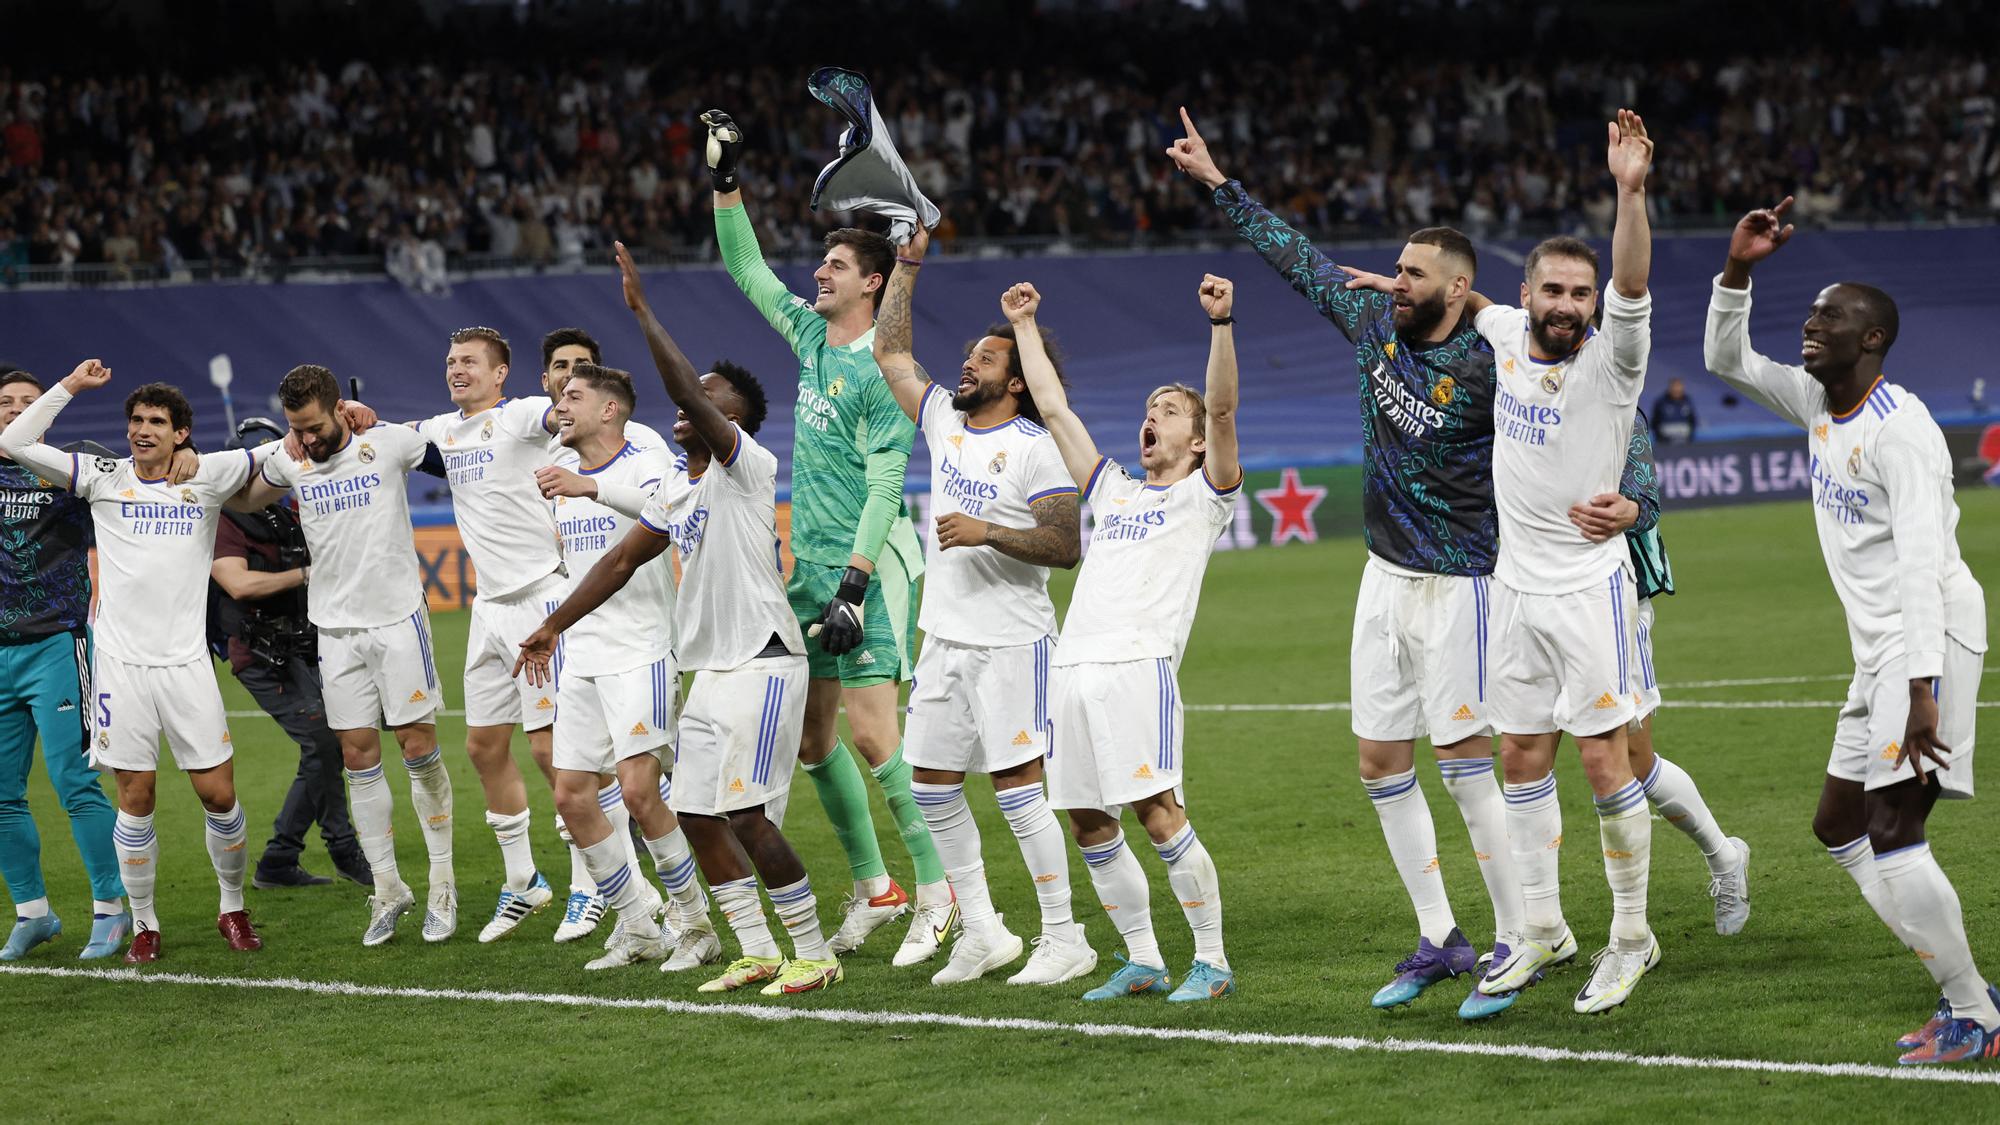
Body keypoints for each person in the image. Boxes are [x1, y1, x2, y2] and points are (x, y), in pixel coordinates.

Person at [1168, 107, 1525, 1016]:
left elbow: (1584, 364)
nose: (1392, 280)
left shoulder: (1492, 360)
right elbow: (1296, 258)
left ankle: (1518, 939)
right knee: (1378, 760)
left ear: (1457, 287)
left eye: (1412, 273)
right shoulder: (1372, 322)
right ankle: (1442, 935)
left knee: (1467, 760)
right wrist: (1218, 184)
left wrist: (1484, 307)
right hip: (1383, 573)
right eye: (1396, 269)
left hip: (1462, 578)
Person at [1705, 196, 1995, 1066]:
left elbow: (1918, 565)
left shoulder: (1902, 433)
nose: (1811, 323)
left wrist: (1921, 687)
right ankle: (1946, 970)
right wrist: (1739, 269)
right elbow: (1727, 355)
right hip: (1881, 652)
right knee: (1841, 825)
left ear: (1872, 339)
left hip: (1929, 637)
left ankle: (1973, 1009)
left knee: (1896, 828)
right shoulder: (1821, 402)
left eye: (1831, 316)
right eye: (1811, 310)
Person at [518, 241, 837, 996]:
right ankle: (755, 949)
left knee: (750, 816)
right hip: (709, 669)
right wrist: (553, 624)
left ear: (734, 418)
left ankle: (814, 949)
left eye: (709, 396)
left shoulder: (746, 466)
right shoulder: (678, 493)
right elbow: (620, 561)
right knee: (696, 814)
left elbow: (690, 397)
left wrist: (643, 312)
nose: (692, 402)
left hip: (761, 660)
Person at [704, 109, 950, 963]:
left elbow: (889, 480)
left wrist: (851, 581)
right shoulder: (812, 338)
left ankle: (939, 892)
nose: (819, 271)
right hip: (809, 568)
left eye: (837, 265)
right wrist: (726, 183)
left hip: (869, 565)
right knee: (814, 741)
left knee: (879, 734)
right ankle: (877, 885)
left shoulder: (890, 371)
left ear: (874, 283)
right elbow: (745, 266)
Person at [1469, 110, 1661, 1015]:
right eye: (1555, 290)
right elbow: (1465, 300)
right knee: (1519, 752)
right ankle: (1543, 925)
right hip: (1516, 589)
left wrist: (1629, 192)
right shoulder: (1505, 332)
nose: (1569, 306)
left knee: (1601, 761)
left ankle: (1632, 936)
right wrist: (1397, 283)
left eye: (1580, 294)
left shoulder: (1613, 363)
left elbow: (1632, 282)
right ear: (1529, 292)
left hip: (1590, 589)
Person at [1007, 275, 1243, 1003]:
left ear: (1196, 440)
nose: (1152, 418)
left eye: (1168, 411)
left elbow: (1225, 405)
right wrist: (1023, 326)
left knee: (1159, 812)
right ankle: (1143, 958)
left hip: (1138, 667)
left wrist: (1221, 325)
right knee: (1086, 818)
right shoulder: (1111, 488)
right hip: (1074, 667)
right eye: (1147, 410)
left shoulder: (1207, 492)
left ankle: (1213, 961)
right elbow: (1052, 408)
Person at [872, 225, 1097, 986]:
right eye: (969, 353)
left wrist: (987, 532)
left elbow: (1066, 544)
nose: (969, 362)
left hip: (1011, 641)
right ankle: (985, 930)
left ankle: (1065, 936)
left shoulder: (1036, 446)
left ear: (1018, 381)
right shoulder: (945, 422)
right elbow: (892, 353)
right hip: (944, 639)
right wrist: (908, 262)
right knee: (931, 784)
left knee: (1017, 790)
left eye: (987, 357)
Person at [0, 362, 262, 963]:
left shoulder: (210, 476)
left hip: (186, 664)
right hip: (119, 665)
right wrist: (70, 386)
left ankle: (232, 907)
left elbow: (273, 461)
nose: (143, 430)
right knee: (135, 796)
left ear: (181, 433)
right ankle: (143, 923)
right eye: (137, 421)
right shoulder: (101, 476)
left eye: (158, 423)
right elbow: (14, 442)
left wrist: (342, 424)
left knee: (219, 795)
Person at [239, 368, 458, 946]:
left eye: (313, 427)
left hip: (397, 620)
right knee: (357, 756)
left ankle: (442, 883)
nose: (306, 440)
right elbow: (241, 495)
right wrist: (268, 450)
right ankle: (388, 889)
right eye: (296, 429)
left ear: (340, 408)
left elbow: (451, 457)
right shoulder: (289, 457)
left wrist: (378, 416)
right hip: (334, 630)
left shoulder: (385, 441)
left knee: (417, 746)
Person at [526, 361, 714, 970]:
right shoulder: (562, 473)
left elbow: (671, 511)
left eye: (574, 395)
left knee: (638, 790)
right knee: (573, 796)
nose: (561, 403)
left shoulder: (643, 458)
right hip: (582, 656)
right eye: (560, 395)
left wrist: (593, 488)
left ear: (611, 409)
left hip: (643, 648)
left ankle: (695, 924)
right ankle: (638, 924)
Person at [209, 415, 371, 894]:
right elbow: (237, 583)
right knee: (324, 740)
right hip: (257, 651)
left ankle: (280, 859)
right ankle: (342, 847)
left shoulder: (290, 511)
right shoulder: (222, 517)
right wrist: (307, 575)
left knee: (328, 742)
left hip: (303, 645)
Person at [0, 366, 129, 961]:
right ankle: (33, 915)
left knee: (75, 781)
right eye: (6, 402)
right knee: (2, 795)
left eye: (28, 402)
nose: (16, 410)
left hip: (57, 644)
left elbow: (144, 481)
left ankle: (110, 910)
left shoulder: (75, 469)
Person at [1649, 377, 1697, 444]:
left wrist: (1690, 437)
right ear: (1670, 388)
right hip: (1664, 443)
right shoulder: (1660, 402)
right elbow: (1654, 422)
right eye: (1674, 386)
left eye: (1679, 386)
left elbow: (1693, 421)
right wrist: (1659, 438)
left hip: (1685, 442)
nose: (1676, 389)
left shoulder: (1688, 401)